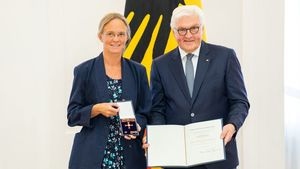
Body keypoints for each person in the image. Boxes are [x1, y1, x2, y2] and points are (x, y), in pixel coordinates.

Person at [150, 5, 250, 169]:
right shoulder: (160, 65)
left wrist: (232, 125)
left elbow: (240, 102)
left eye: (194, 29)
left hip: (219, 157)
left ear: (202, 29)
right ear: (173, 32)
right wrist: (161, 138)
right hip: (177, 160)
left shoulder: (225, 57)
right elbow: (157, 109)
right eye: (182, 30)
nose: (188, 35)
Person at [67, 13, 151, 169]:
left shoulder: (138, 71)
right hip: (92, 157)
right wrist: (96, 109)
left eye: (121, 34)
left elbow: (146, 112)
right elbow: (72, 115)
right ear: (101, 36)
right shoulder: (84, 71)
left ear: (127, 37)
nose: (116, 39)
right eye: (110, 34)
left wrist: (137, 125)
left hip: (130, 155)